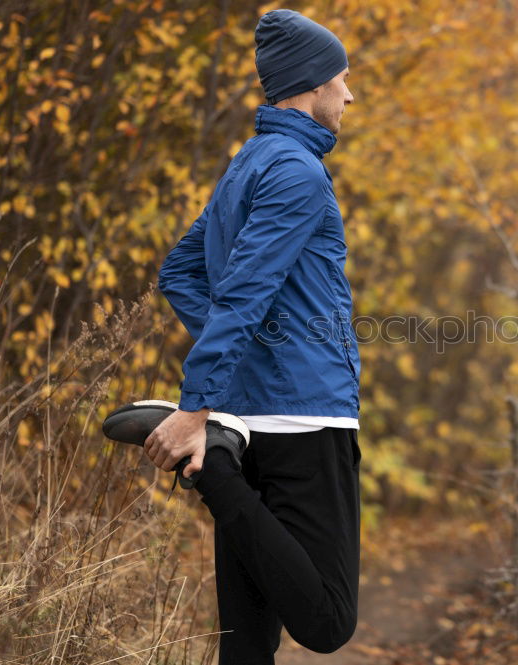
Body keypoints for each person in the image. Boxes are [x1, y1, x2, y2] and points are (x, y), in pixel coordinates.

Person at [145, 8, 360, 662]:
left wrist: (245, 361)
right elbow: (241, 293)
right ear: (311, 84)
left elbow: (181, 271)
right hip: (305, 416)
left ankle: (217, 455)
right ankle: (211, 470)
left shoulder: (250, 163)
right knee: (327, 620)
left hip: (252, 416)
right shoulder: (296, 171)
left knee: (247, 643)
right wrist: (195, 407)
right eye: (341, 80)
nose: (350, 95)